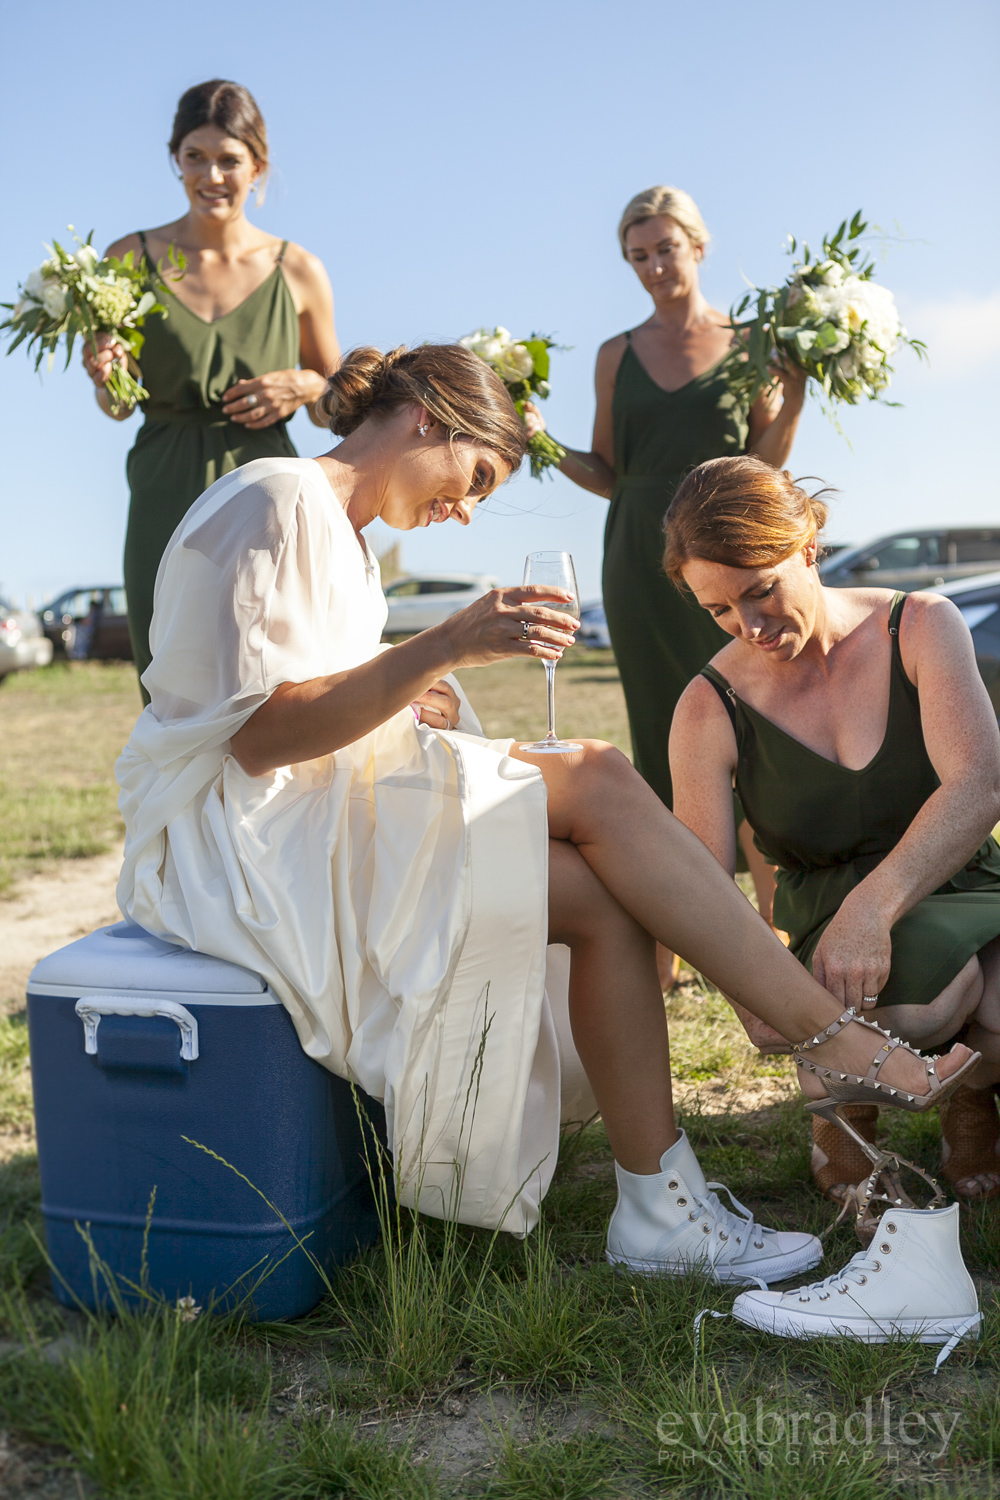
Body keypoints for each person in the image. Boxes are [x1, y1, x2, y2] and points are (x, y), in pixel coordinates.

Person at [115, 344, 976, 1302]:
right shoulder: (275, 499)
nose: (468, 508)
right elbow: (260, 738)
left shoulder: (344, 537)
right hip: (241, 840)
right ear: (426, 420)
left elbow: (324, 702)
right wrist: (445, 644)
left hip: (321, 814)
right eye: (475, 477)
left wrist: (412, 698)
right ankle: (826, 1033)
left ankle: (657, 1205)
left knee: (605, 899)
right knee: (599, 774)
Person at [667, 455, 1000, 1204]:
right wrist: (747, 986)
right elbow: (696, 879)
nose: (749, 627)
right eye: (719, 610)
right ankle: (842, 1122)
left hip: (965, 877)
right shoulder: (706, 705)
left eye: (760, 590)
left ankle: (973, 1100)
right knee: (917, 1006)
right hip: (825, 911)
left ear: (807, 549)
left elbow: (979, 785)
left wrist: (873, 910)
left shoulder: (920, 623)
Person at [525, 186, 806, 986]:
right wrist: (542, 442)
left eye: (665, 249)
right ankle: (672, 938)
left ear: (697, 247)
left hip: (728, 548)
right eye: (638, 255)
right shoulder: (616, 354)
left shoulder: (751, 343)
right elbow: (608, 473)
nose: (653, 266)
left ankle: (772, 931)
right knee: (660, 737)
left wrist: (800, 393)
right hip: (642, 557)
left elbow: (767, 463)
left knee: (751, 728)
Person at [82, 79, 340, 695]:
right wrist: (104, 372)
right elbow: (117, 407)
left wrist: (305, 385)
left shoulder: (298, 269)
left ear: (259, 166)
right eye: (194, 157)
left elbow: (338, 408)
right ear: (175, 159)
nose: (212, 175)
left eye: (229, 159)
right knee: (169, 671)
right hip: (163, 484)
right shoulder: (128, 259)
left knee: (269, 669)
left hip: (266, 488)